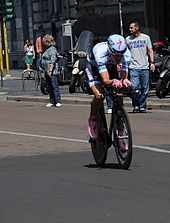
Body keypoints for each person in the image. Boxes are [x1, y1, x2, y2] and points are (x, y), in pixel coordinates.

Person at [85, 34, 131, 151]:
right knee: (99, 96)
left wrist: (124, 81)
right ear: (110, 51)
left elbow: (123, 77)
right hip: (94, 68)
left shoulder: (126, 54)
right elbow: (105, 81)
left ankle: (120, 133)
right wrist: (113, 81)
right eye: (115, 56)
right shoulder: (100, 53)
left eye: (120, 56)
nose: (118, 58)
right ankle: (93, 119)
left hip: (110, 68)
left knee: (119, 94)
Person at [126, 20, 155, 113]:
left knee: (145, 88)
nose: (130, 29)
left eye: (131, 27)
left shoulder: (146, 38)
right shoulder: (128, 39)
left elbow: (150, 50)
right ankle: (136, 105)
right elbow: (125, 53)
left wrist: (152, 63)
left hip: (144, 67)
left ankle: (142, 106)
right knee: (135, 87)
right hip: (133, 67)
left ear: (137, 28)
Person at [41, 34, 62, 108]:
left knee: (54, 86)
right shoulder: (47, 49)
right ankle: (52, 101)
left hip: (52, 71)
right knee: (49, 86)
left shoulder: (52, 49)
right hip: (46, 70)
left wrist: (50, 71)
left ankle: (58, 101)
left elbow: (52, 60)